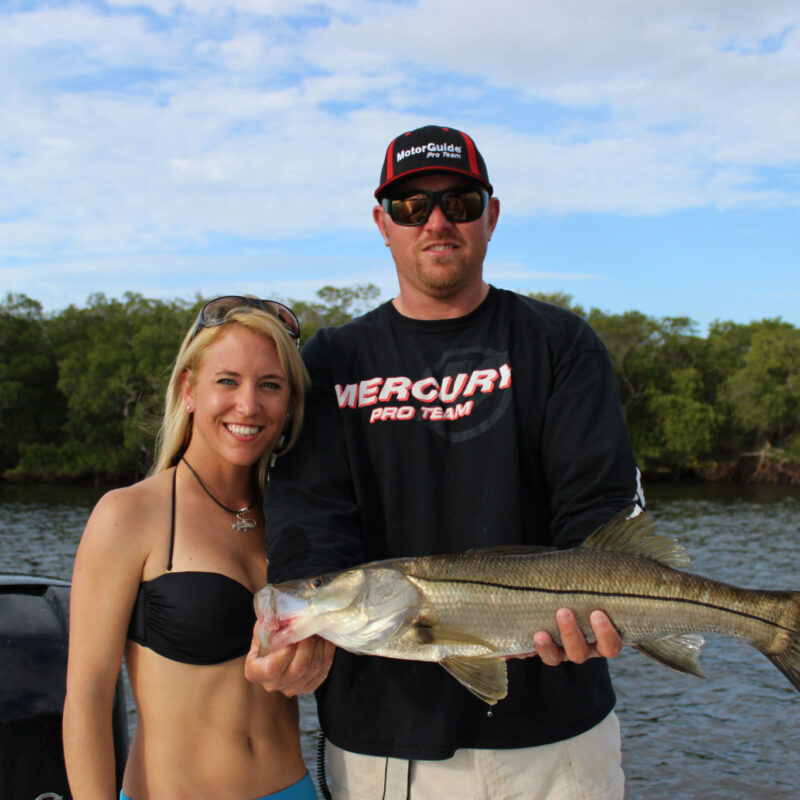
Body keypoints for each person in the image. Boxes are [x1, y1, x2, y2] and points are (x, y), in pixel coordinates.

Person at [246, 126, 645, 799]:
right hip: (382, 745)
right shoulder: (330, 362)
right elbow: (309, 521)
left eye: (459, 202)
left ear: (491, 214)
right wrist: (302, 630)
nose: (436, 221)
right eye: (411, 208)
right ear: (383, 223)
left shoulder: (561, 344)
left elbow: (598, 511)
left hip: (558, 742)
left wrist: (607, 613)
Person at [62, 296, 328, 800]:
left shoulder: (299, 520)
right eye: (227, 381)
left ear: (289, 401)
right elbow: (89, 695)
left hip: (294, 790)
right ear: (189, 389)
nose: (248, 405)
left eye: (270, 385)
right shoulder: (129, 515)